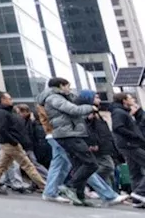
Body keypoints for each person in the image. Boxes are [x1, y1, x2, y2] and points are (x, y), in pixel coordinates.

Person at [35, 77, 102, 205]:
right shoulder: (54, 98)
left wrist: (70, 95)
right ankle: (70, 186)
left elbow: (73, 111)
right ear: (61, 85)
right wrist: (90, 107)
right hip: (67, 134)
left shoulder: (61, 97)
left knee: (78, 165)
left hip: (70, 133)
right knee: (91, 163)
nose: (69, 89)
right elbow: (73, 110)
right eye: (67, 86)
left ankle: (80, 197)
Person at [0, 95, 45, 194]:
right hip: (11, 143)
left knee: (2, 165)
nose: (11, 100)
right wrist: (13, 139)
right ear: (3, 100)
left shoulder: (6, 112)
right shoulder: (2, 113)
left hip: (9, 142)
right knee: (28, 165)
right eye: (9, 98)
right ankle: (44, 186)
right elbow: (1, 128)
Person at [110, 93, 145, 207]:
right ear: (124, 100)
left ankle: (137, 200)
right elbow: (117, 127)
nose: (133, 100)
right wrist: (134, 136)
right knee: (136, 170)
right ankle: (139, 193)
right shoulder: (118, 112)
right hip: (129, 144)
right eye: (130, 98)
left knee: (135, 171)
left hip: (128, 144)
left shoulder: (122, 112)